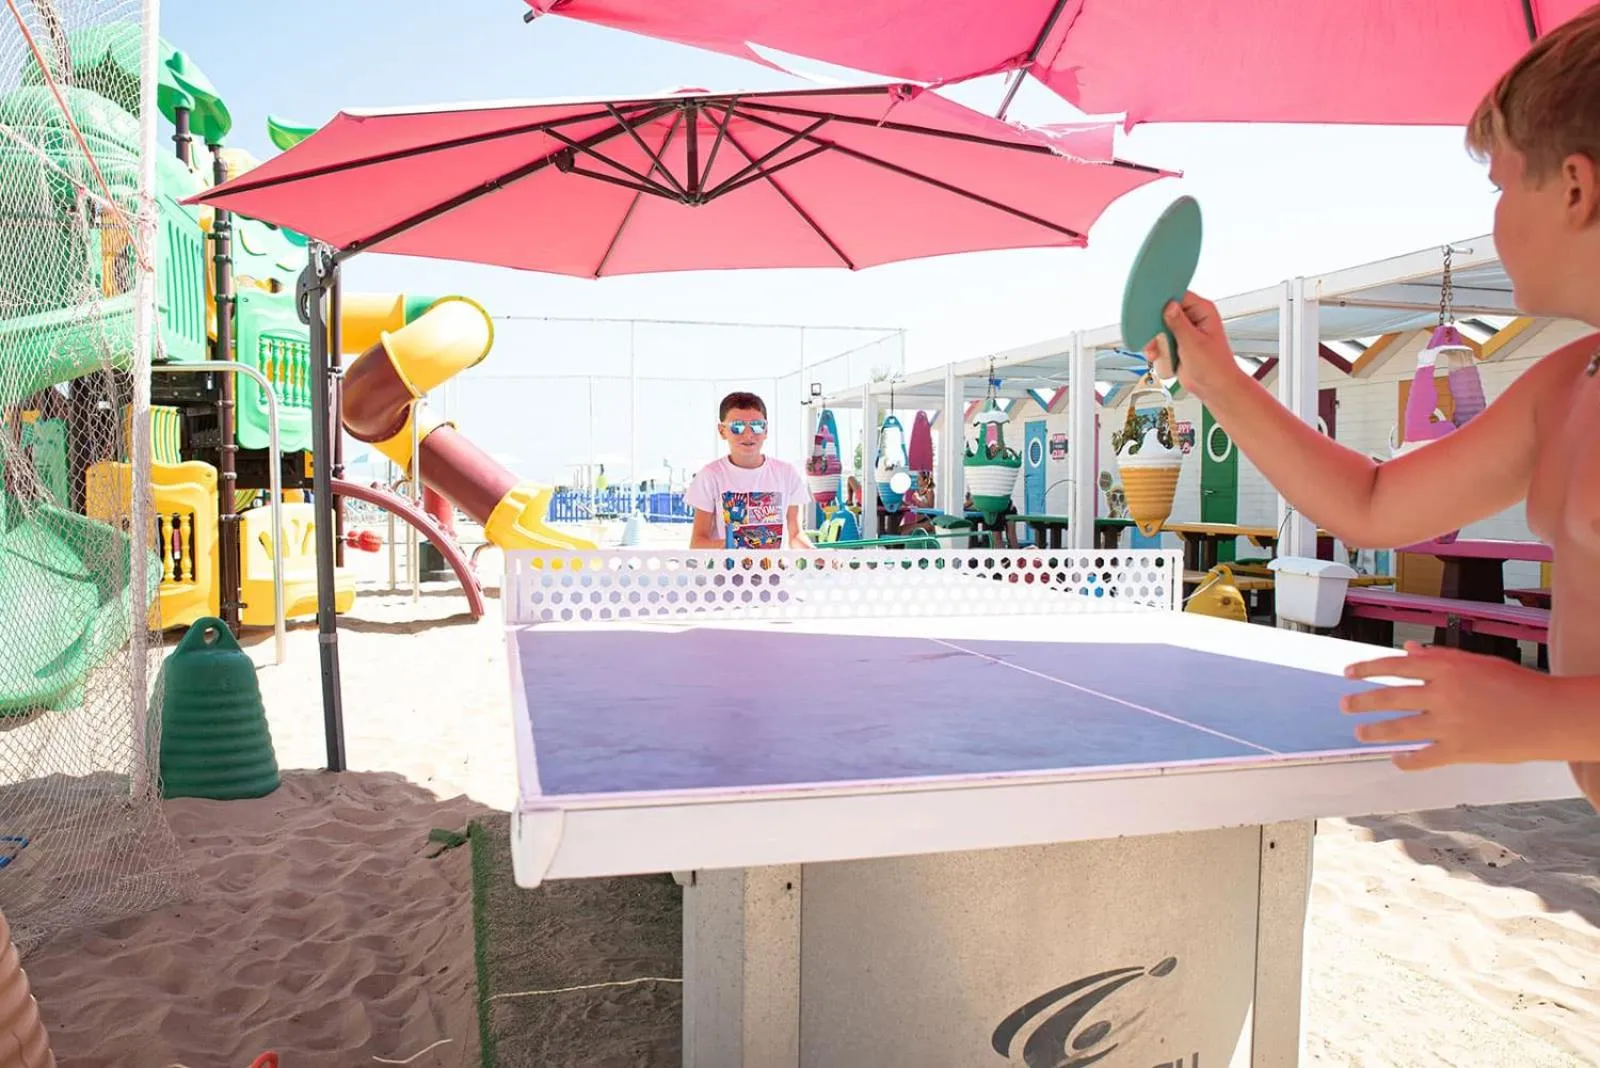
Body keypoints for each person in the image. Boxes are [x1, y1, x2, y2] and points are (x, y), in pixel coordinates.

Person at [1143, 7, 1600, 809]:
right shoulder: (1569, 383)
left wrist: (1542, 711)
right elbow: (1374, 504)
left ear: (1573, 187)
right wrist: (1217, 380)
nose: (1490, 220)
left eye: (1498, 186)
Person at [687, 391, 814, 550]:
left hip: (776, 573)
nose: (748, 435)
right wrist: (738, 546)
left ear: (766, 431)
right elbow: (697, 543)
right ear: (722, 431)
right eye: (737, 427)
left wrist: (822, 557)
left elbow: (796, 535)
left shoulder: (787, 473)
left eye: (757, 426)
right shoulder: (709, 475)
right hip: (726, 574)